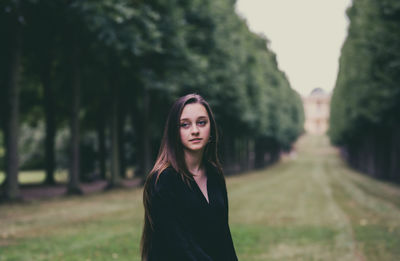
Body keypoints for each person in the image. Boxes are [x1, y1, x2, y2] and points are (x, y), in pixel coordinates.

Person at [140, 94, 238, 261]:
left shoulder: (215, 175)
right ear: (174, 131)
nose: (195, 130)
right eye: (185, 125)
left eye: (201, 122)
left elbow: (223, 237)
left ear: (211, 128)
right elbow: (180, 246)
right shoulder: (163, 180)